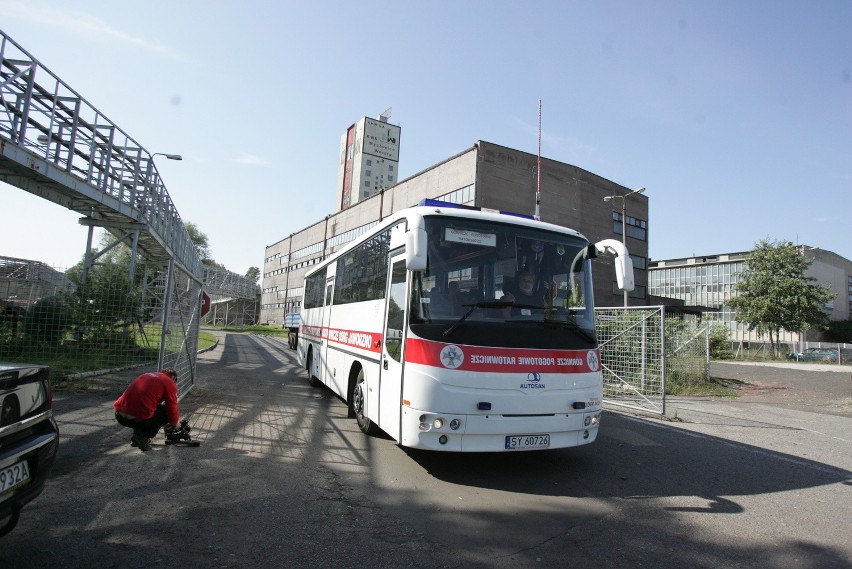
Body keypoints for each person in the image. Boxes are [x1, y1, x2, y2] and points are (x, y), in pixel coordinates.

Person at [114, 368, 181, 451]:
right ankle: (143, 437)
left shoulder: (148, 375)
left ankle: (136, 438)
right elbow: (172, 410)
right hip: (135, 417)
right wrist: (176, 425)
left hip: (120, 415)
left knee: (145, 408)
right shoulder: (170, 383)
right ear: (173, 378)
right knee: (164, 412)